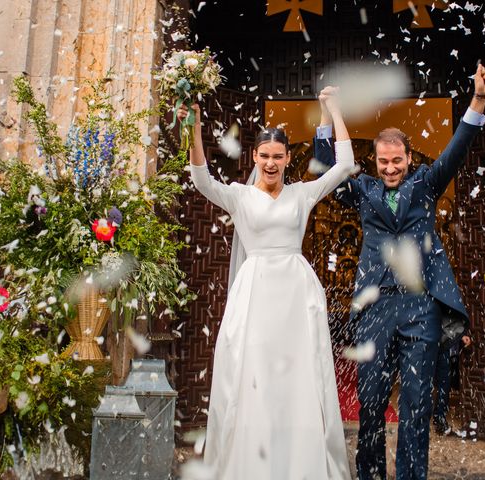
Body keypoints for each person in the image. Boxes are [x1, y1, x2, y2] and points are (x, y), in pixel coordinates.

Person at [314, 63, 485, 480]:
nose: (390, 168)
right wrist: (327, 116)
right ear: (373, 161)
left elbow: (457, 150)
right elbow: (326, 171)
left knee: (416, 403)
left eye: (397, 161)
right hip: (375, 306)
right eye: (383, 162)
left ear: (409, 159)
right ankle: (370, 474)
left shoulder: (426, 186)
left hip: (420, 308)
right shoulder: (362, 192)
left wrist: (478, 100)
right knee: (371, 400)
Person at [177, 88, 354, 479]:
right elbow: (201, 179)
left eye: (278, 156)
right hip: (254, 294)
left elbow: (345, 165)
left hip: (296, 294)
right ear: (255, 158)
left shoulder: (302, 194)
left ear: (288, 158)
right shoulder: (239, 197)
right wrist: (193, 128)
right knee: (252, 376)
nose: (271, 163)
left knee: (298, 378)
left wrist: (335, 110)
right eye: (264, 156)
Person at [432, 333, 471, 435]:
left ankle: (438, 417)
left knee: (444, 384)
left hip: (446, 348)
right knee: (444, 384)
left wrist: (460, 336)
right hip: (441, 346)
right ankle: (438, 418)